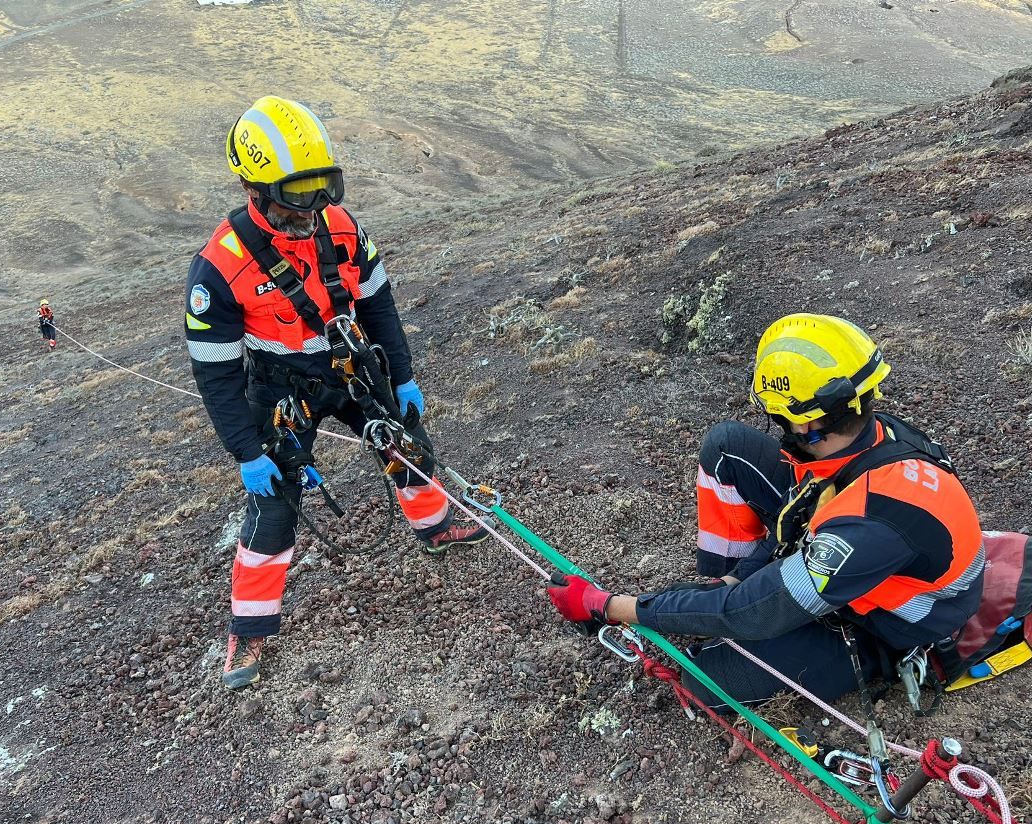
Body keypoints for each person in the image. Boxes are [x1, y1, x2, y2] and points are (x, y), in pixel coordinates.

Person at [185, 96, 488, 690]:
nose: (316, 207)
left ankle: (434, 527)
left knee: (407, 444)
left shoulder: (343, 229)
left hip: (351, 364)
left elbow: (379, 306)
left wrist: (400, 375)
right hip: (279, 384)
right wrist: (247, 451)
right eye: (300, 194)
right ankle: (249, 627)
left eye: (326, 188)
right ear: (256, 188)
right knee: (274, 502)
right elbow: (215, 373)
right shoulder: (218, 269)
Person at [545, 313, 986, 709]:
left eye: (777, 415)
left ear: (808, 422)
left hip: (887, 625)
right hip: (869, 549)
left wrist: (605, 605)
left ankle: (858, 657)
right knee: (728, 449)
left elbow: (751, 613)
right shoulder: (873, 438)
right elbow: (802, 510)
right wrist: (735, 581)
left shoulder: (867, 524)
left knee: (705, 681)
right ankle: (725, 579)